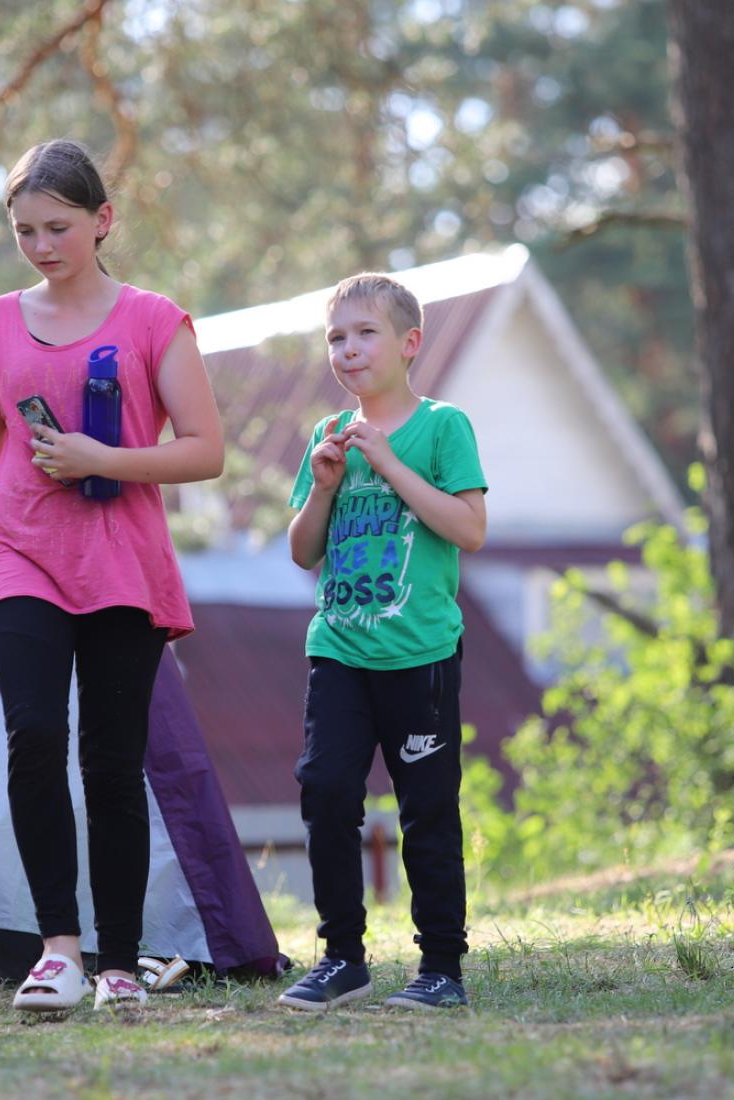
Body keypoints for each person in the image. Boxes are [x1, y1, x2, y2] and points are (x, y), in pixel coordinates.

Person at [0, 139, 223, 1013]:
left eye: (59, 226)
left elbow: (206, 450)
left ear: (102, 220)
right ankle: (58, 952)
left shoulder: (156, 320)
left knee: (112, 764)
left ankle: (119, 963)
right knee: (34, 740)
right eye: (25, 231)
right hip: (21, 557)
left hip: (124, 565)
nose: (43, 245)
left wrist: (103, 458)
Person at [278, 273, 488, 1012]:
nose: (348, 349)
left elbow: (469, 528)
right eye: (337, 337)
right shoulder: (325, 435)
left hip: (420, 656)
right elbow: (303, 551)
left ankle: (441, 969)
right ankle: (343, 958)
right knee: (324, 788)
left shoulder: (442, 427)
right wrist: (328, 484)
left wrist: (391, 464)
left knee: (427, 810)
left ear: (409, 344)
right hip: (338, 648)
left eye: (365, 334)